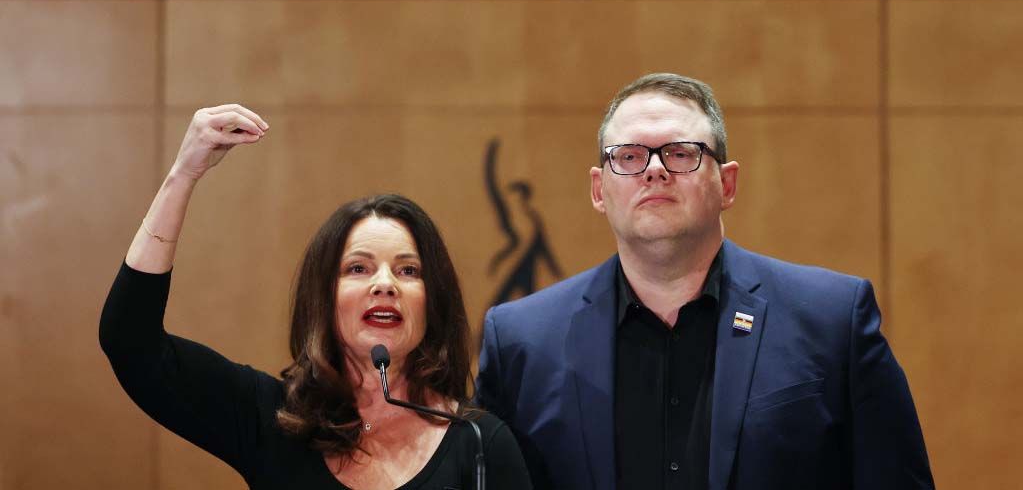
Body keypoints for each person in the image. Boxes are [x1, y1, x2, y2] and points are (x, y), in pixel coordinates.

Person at [476, 74, 934, 490]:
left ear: (726, 184)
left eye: (681, 154)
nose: (654, 170)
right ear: (599, 190)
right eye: (629, 156)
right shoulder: (520, 341)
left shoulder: (833, 320)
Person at [100, 104, 532, 490]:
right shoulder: (272, 420)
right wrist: (183, 175)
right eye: (358, 268)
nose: (385, 284)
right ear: (323, 299)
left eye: (408, 270)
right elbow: (129, 341)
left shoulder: (479, 443)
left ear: (432, 302)